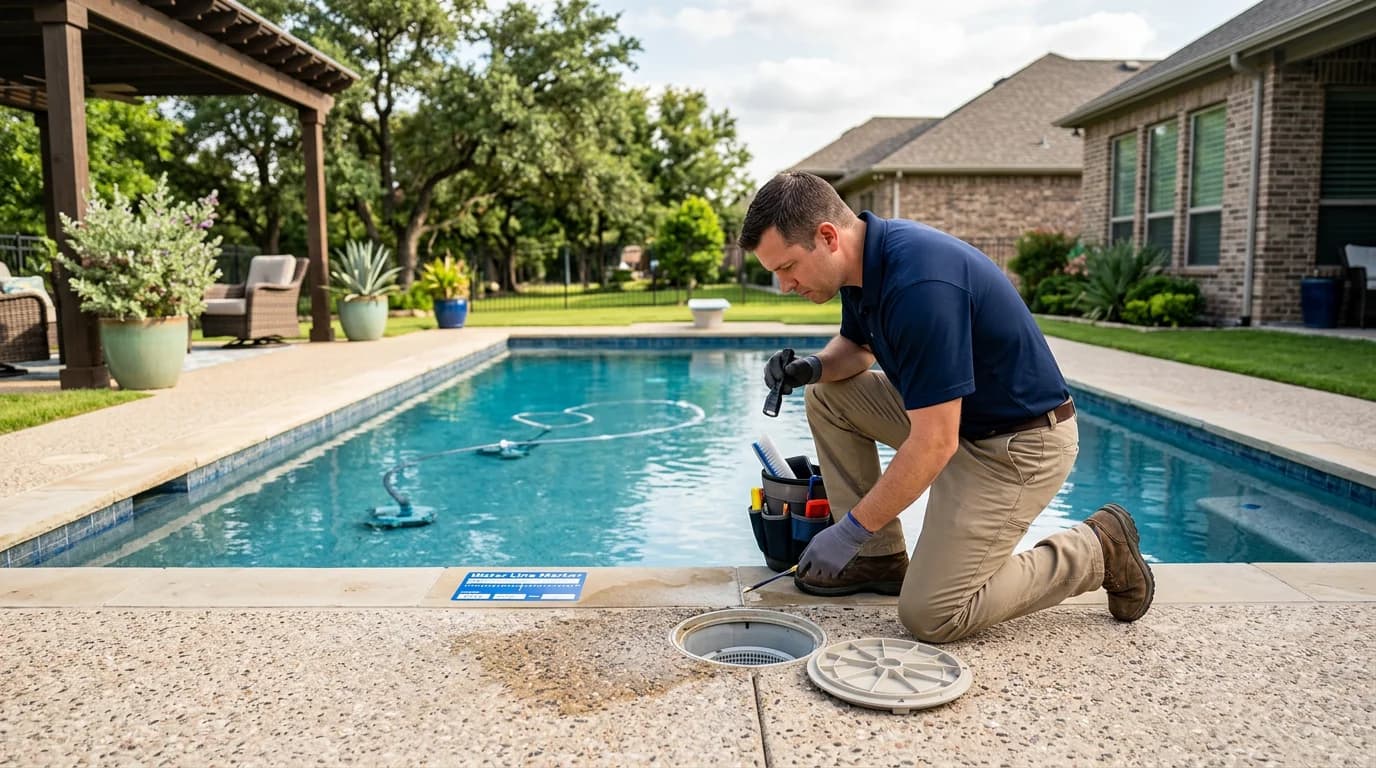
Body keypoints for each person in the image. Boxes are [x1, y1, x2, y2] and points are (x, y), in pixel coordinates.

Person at [739, 171, 1153, 643]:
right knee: (829, 396)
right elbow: (857, 349)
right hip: (963, 426)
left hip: (1017, 447)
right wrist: (811, 368)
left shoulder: (919, 285)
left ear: (827, 237)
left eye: (788, 267)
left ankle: (1098, 549)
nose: (785, 284)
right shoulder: (862, 266)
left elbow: (934, 443)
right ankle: (877, 559)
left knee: (933, 616)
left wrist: (849, 528)